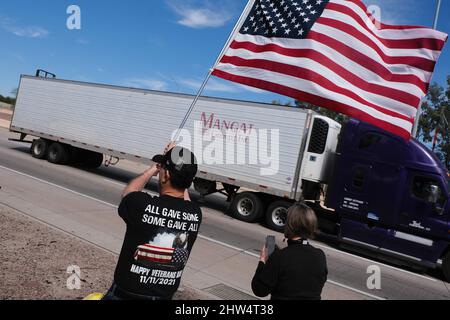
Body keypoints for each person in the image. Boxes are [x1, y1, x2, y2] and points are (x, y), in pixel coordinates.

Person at [103, 143, 202, 300]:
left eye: (162, 169)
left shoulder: (142, 205)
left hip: (125, 295)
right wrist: (176, 172)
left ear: (166, 175)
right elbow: (186, 200)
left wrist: (153, 168)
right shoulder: (195, 214)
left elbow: (129, 193)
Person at [251, 203, 328, 300]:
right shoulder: (320, 256)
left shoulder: (279, 257)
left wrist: (262, 261)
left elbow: (259, 290)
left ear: (289, 225)